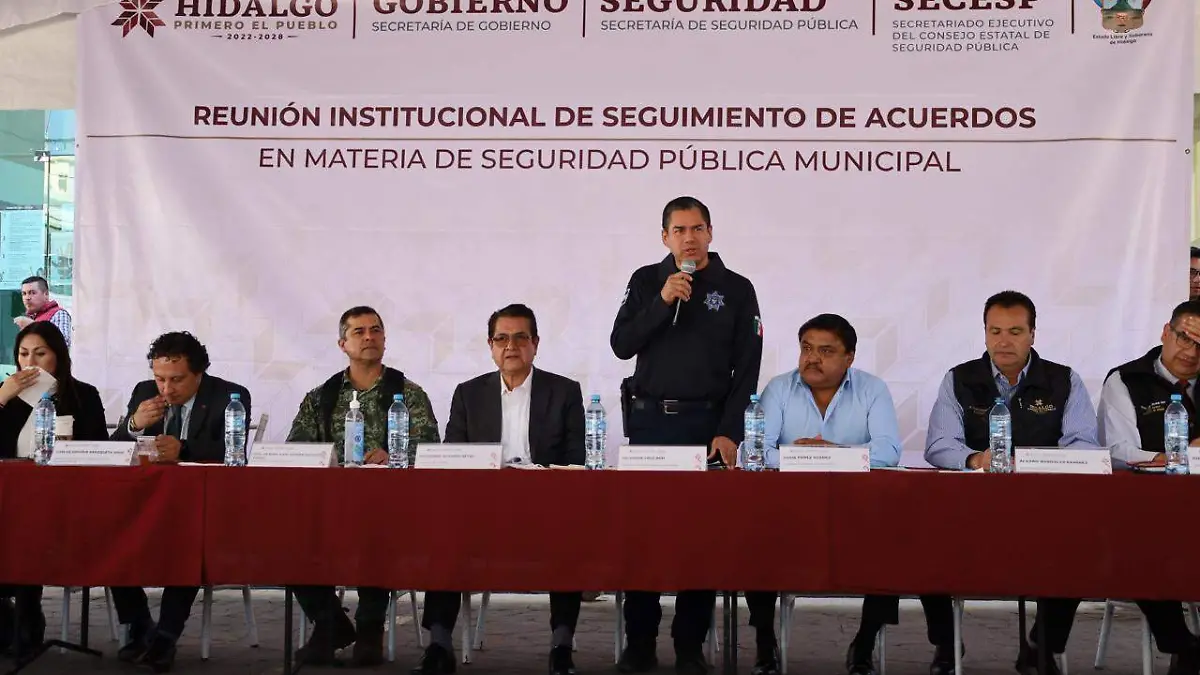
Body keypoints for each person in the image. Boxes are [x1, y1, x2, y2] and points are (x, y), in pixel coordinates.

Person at [610, 196, 763, 675]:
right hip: (651, 424)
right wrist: (662, 301)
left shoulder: (736, 289)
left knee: (700, 537)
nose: (689, 238)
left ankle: (689, 643)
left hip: (706, 426)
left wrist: (730, 432)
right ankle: (640, 641)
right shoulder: (646, 281)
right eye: (679, 230)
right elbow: (621, 344)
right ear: (665, 237)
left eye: (697, 228)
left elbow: (748, 368)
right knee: (644, 538)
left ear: (711, 233)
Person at [921, 291, 1099, 675]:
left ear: (1033, 334)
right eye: (995, 331)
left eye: (1015, 332)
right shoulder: (960, 379)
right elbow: (939, 445)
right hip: (972, 509)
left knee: (1081, 547)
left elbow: (1084, 444)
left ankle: (1041, 647)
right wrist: (975, 459)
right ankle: (946, 643)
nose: (1004, 341)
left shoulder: (1063, 380)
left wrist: (1040, 463)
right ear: (984, 333)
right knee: (923, 544)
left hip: (1045, 507)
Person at [413, 303, 585, 675]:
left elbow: (575, 460)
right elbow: (452, 458)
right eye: (502, 338)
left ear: (536, 344)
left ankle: (561, 647)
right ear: (490, 346)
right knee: (444, 532)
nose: (511, 346)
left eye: (521, 338)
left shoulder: (564, 392)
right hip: (481, 510)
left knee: (571, 534)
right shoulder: (469, 394)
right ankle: (439, 646)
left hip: (545, 509)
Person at [743, 314, 901, 675]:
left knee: (892, 547)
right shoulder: (779, 389)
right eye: (806, 348)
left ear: (849, 357)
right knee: (754, 542)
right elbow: (754, 452)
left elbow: (889, 450)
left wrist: (832, 452)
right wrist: (807, 456)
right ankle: (765, 645)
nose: (812, 358)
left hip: (857, 513)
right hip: (788, 513)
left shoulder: (872, 389)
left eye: (826, 351)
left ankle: (863, 646)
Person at [287, 306, 440, 667]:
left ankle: (370, 627)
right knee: (287, 534)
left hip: (391, 510)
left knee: (377, 532)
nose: (369, 337)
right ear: (343, 344)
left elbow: (431, 448)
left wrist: (395, 454)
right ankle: (330, 623)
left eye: (375, 330)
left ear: (384, 339)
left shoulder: (408, 395)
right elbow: (296, 450)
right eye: (359, 332)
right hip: (330, 509)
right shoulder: (321, 397)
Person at [108, 331, 252, 673]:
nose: (166, 389)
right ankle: (139, 624)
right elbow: (114, 449)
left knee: (188, 544)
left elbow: (232, 452)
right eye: (160, 378)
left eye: (177, 379)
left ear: (199, 373)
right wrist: (134, 425)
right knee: (112, 534)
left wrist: (183, 449)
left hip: (203, 506)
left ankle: (165, 637)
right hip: (149, 504)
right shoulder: (144, 392)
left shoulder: (229, 396)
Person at [1095, 299, 1200, 675]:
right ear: (1166, 332)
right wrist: (1174, 457)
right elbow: (1118, 450)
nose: (1191, 353)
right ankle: (1183, 645)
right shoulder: (1126, 380)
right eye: (1185, 338)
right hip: (1147, 509)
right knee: (1138, 547)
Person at [0, 322, 107, 659]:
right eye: (23, 354)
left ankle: (27, 619)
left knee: (27, 533)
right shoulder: (7, 396)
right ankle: (16, 619)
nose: (30, 363)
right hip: (11, 500)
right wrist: (2, 398)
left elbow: (100, 450)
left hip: (65, 502)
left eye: (40, 354)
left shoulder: (83, 395)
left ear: (58, 356)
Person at [13, 276, 72, 348]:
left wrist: (33, 325)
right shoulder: (29, 318)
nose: (27, 298)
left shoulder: (59, 314)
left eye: (32, 293)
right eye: (24, 294)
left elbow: (63, 344)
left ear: (46, 294)